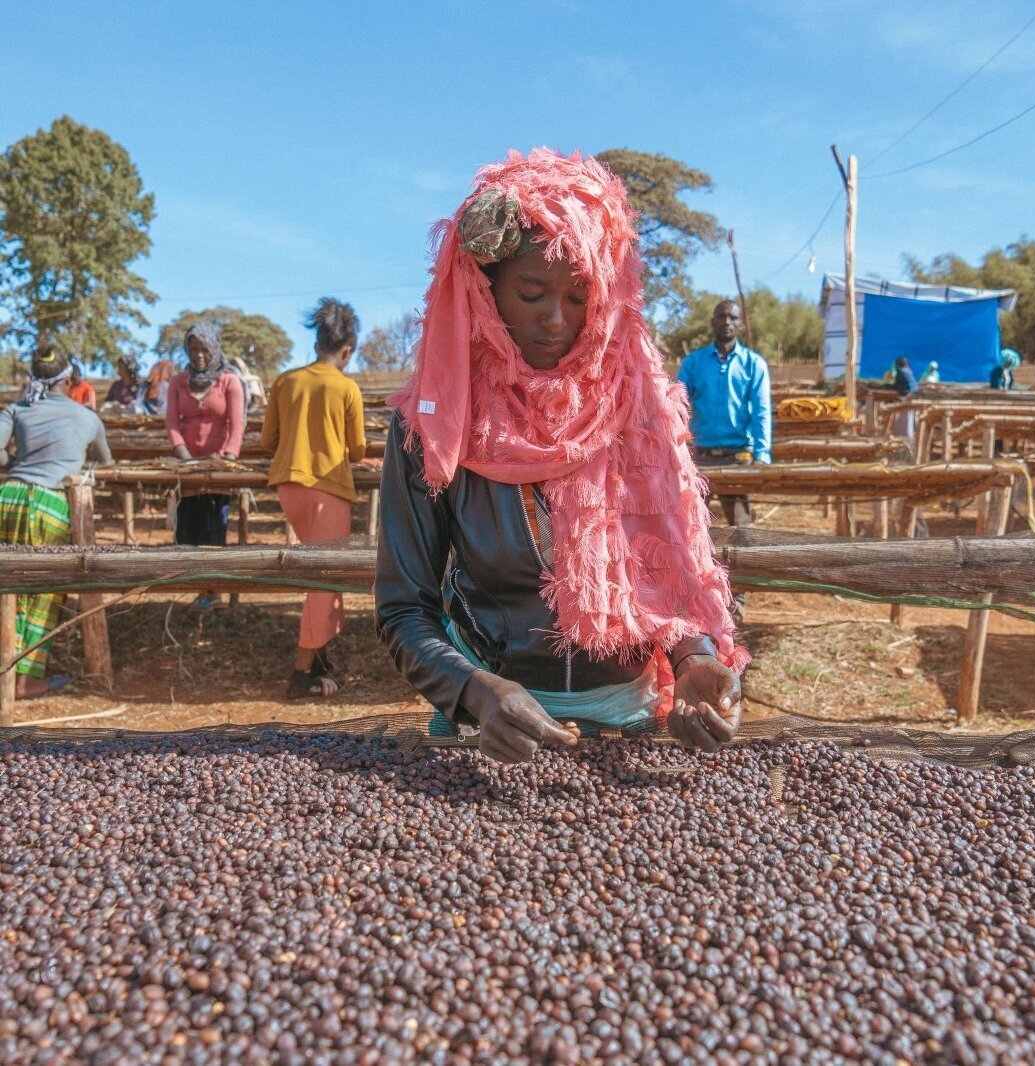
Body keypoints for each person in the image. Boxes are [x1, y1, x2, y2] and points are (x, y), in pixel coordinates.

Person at [376, 149, 749, 765]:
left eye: (580, 299)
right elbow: (403, 609)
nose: (556, 322)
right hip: (490, 728)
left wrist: (694, 660)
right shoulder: (435, 425)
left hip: (625, 719)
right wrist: (472, 692)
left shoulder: (639, 410)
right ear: (484, 292)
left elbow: (668, 572)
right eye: (530, 294)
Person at [262, 298, 365, 699]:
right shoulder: (345, 386)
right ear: (347, 350)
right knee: (324, 580)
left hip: (288, 488)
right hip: (328, 490)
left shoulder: (287, 382)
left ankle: (322, 661)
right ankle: (300, 673)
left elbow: (269, 441)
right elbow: (355, 451)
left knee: (321, 576)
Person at [0, 346, 112, 698]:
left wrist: (13, 455)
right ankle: (26, 679)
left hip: (7, 498)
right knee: (43, 590)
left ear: (35, 379)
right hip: (47, 504)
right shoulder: (88, 418)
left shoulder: (17, 410)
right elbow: (105, 460)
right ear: (70, 377)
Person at [677, 300, 771, 622]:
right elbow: (677, 405)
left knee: (740, 529)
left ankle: (738, 599)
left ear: (740, 325)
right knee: (691, 527)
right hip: (700, 457)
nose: (727, 322)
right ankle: (695, 596)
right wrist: (673, 444)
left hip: (736, 458)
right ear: (713, 321)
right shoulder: (693, 364)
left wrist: (762, 454)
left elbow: (760, 410)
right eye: (722, 316)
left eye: (733, 317)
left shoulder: (753, 364)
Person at [165, 324, 245, 609]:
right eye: (194, 349)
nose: (200, 355)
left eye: (205, 349)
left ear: (215, 348)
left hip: (219, 467)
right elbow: (173, 424)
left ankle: (213, 590)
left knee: (215, 526)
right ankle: (197, 587)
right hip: (186, 469)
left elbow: (236, 426)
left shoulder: (230, 381)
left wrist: (228, 459)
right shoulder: (178, 382)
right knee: (187, 528)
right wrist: (185, 457)